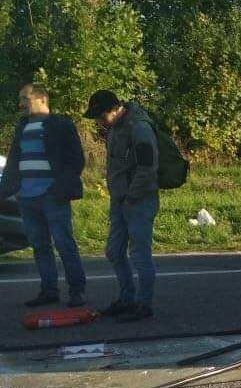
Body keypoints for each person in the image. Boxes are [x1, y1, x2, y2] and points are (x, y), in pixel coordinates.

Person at [0, 83, 87, 307]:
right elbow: (13, 163)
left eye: (24, 99)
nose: (21, 104)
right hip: (27, 197)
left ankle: (77, 291)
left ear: (41, 99)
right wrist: (8, 190)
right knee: (39, 246)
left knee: (64, 243)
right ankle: (49, 291)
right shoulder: (22, 126)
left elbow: (76, 160)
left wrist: (58, 188)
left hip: (52, 196)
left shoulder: (60, 124)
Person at [84, 89, 159, 322]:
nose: (98, 121)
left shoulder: (139, 127)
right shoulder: (115, 128)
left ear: (114, 109)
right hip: (120, 200)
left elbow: (148, 166)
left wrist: (131, 196)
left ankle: (143, 304)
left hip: (139, 200)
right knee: (114, 251)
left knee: (139, 254)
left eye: (100, 116)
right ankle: (127, 298)